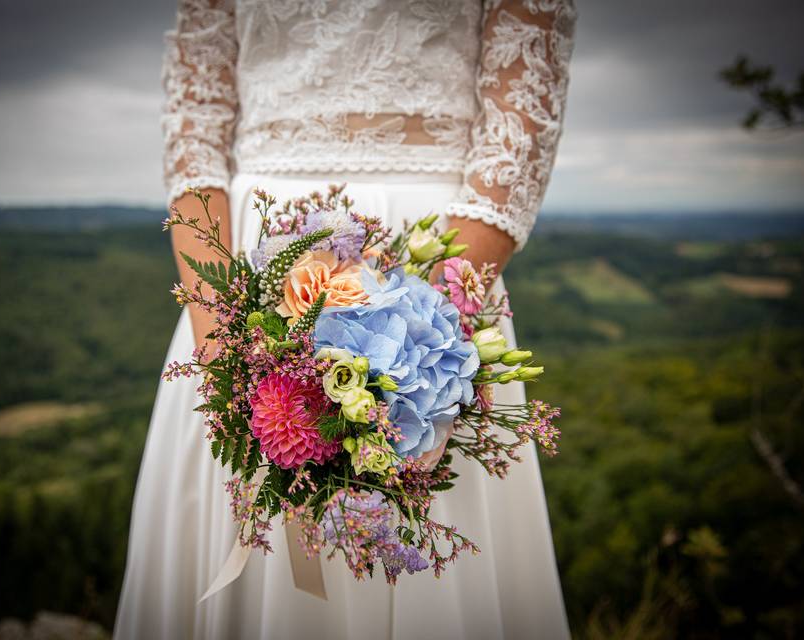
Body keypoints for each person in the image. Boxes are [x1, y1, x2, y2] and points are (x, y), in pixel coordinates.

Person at [115, 1, 576, 638]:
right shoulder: (227, 314)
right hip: (246, 262)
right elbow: (196, 122)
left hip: (436, 262)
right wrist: (224, 336)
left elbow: (518, 128)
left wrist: (413, 343)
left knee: (425, 498)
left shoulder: (431, 299)